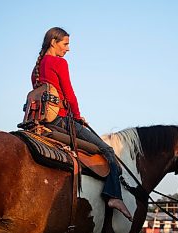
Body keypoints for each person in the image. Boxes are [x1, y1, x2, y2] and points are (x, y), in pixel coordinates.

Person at [31, 27, 132, 221]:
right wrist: (77, 116)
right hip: (62, 120)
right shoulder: (58, 62)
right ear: (53, 42)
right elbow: (68, 94)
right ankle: (114, 197)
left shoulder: (36, 68)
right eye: (65, 44)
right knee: (108, 151)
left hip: (44, 121)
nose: (68, 49)